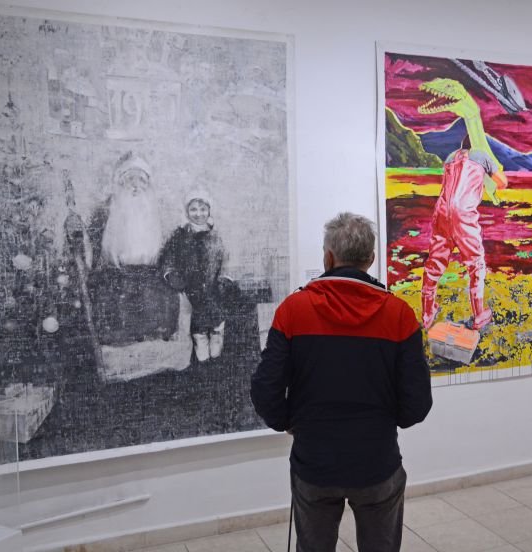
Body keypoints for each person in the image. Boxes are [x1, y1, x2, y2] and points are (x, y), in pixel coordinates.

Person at [251, 212, 432, 552]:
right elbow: (418, 403)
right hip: (377, 461)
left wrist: (288, 422)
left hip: (313, 462)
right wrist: (385, 422)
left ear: (328, 258)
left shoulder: (293, 310)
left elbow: (265, 389)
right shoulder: (399, 315)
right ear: (371, 259)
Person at [86, 152, 179, 345]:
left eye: (141, 180)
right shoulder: (106, 212)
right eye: (130, 180)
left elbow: (170, 252)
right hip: (117, 274)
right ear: (121, 183)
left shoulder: (158, 213)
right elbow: (92, 251)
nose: (136, 186)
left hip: (151, 274)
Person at [421, 133, 508, 330]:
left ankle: (427, 314)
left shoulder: (450, 158)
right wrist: (494, 171)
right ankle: (479, 315)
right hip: (464, 214)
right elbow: (502, 182)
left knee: (434, 263)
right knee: (476, 264)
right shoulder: (482, 156)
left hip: (441, 212)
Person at [160, 189, 228, 364]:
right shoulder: (179, 236)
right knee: (197, 326)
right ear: (187, 211)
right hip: (190, 289)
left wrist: (223, 279)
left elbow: (225, 259)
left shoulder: (216, 235)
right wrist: (173, 277)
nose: (198, 214)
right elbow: (167, 258)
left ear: (209, 211)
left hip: (213, 288)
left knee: (216, 321)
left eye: (203, 209)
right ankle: (202, 357)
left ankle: (216, 353)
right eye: (194, 209)